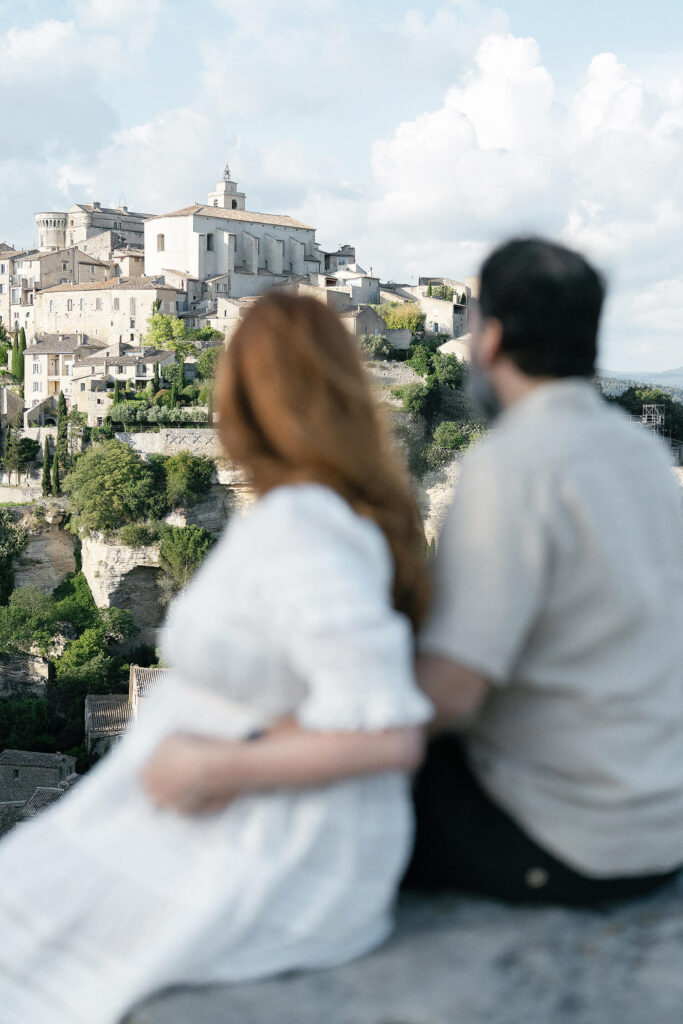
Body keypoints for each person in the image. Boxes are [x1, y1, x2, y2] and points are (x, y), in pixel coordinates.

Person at [0, 294, 432, 1024]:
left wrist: (211, 767)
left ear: (240, 401)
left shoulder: (308, 525)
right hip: (242, 819)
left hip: (258, 836)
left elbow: (386, 732)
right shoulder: (327, 513)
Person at [405, 237, 683, 905]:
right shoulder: (641, 452)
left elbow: (450, 692)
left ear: (491, 339)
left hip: (571, 841)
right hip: (660, 820)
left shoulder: (512, 462)